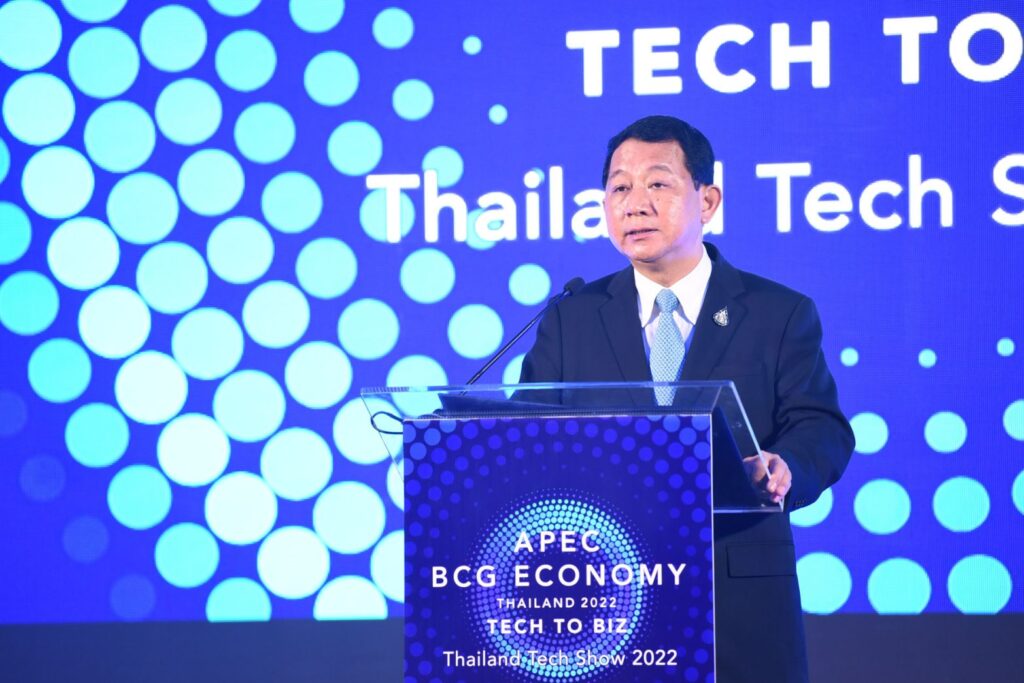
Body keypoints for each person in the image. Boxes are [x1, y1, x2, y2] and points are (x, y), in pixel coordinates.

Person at [519, 115, 854, 683]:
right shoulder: (570, 318)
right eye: (620, 187)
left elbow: (821, 427)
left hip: (737, 599)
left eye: (658, 183)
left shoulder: (778, 313)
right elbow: (527, 436)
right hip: (602, 596)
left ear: (708, 200)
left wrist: (785, 467)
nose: (635, 203)